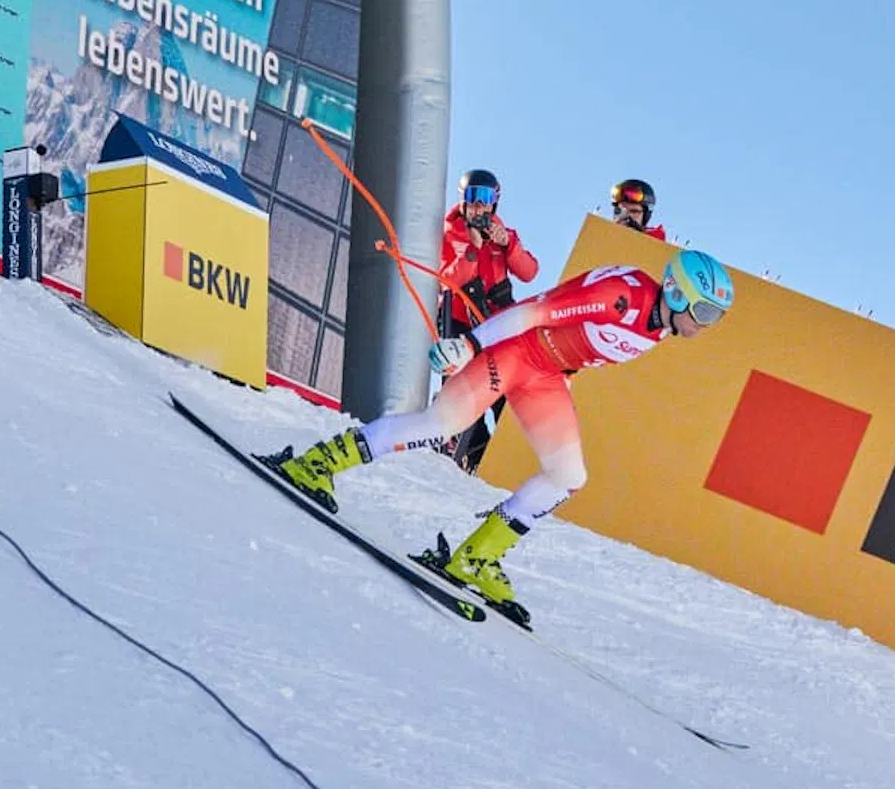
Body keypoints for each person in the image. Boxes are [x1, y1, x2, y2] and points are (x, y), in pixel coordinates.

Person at [269, 244, 738, 616]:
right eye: (706, 313)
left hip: (544, 375)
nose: (707, 326)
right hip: (512, 353)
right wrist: (468, 344)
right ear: (677, 294)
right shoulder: (622, 295)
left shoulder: (659, 327)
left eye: (716, 318)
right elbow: (534, 310)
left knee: (568, 475)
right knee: (440, 426)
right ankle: (319, 463)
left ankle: (475, 557)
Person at [431, 167, 540, 470]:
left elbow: (529, 272)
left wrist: (509, 246)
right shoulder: (449, 234)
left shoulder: (503, 237)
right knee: (466, 389)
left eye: (485, 201)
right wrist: (472, 250)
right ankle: (473, 454)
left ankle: (505, 458)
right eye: (473, 200)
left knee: (506, 389)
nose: (479, 208)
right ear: (463, 202)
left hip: (497, 325)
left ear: (495, 204)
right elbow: (446, 279)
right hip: (460, 324)